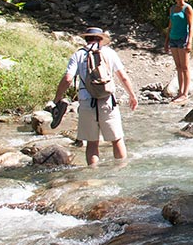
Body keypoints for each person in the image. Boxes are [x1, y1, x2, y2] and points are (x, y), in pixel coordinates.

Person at [53, 27, 138, 166]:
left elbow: (68, 78)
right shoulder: (109, 53)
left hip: (87, 102)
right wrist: (132, 95)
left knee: (92, 143)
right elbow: (123, 77)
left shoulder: (78, 55)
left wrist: (57, 98)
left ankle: (93, 177)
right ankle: (122, 171)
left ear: (86, 39)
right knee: (117, 140)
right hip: (107, 101)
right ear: (101, 39)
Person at [167, 0, 193, 103]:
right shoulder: (172, 8)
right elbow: (170, 25)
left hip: (183, 39)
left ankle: (185, 93)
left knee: (185, 67)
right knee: (178, 67)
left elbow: (191, 26)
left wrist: (189, 42)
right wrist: (166, 41)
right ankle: (180, 92)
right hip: (173, 38)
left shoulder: (187, 8)